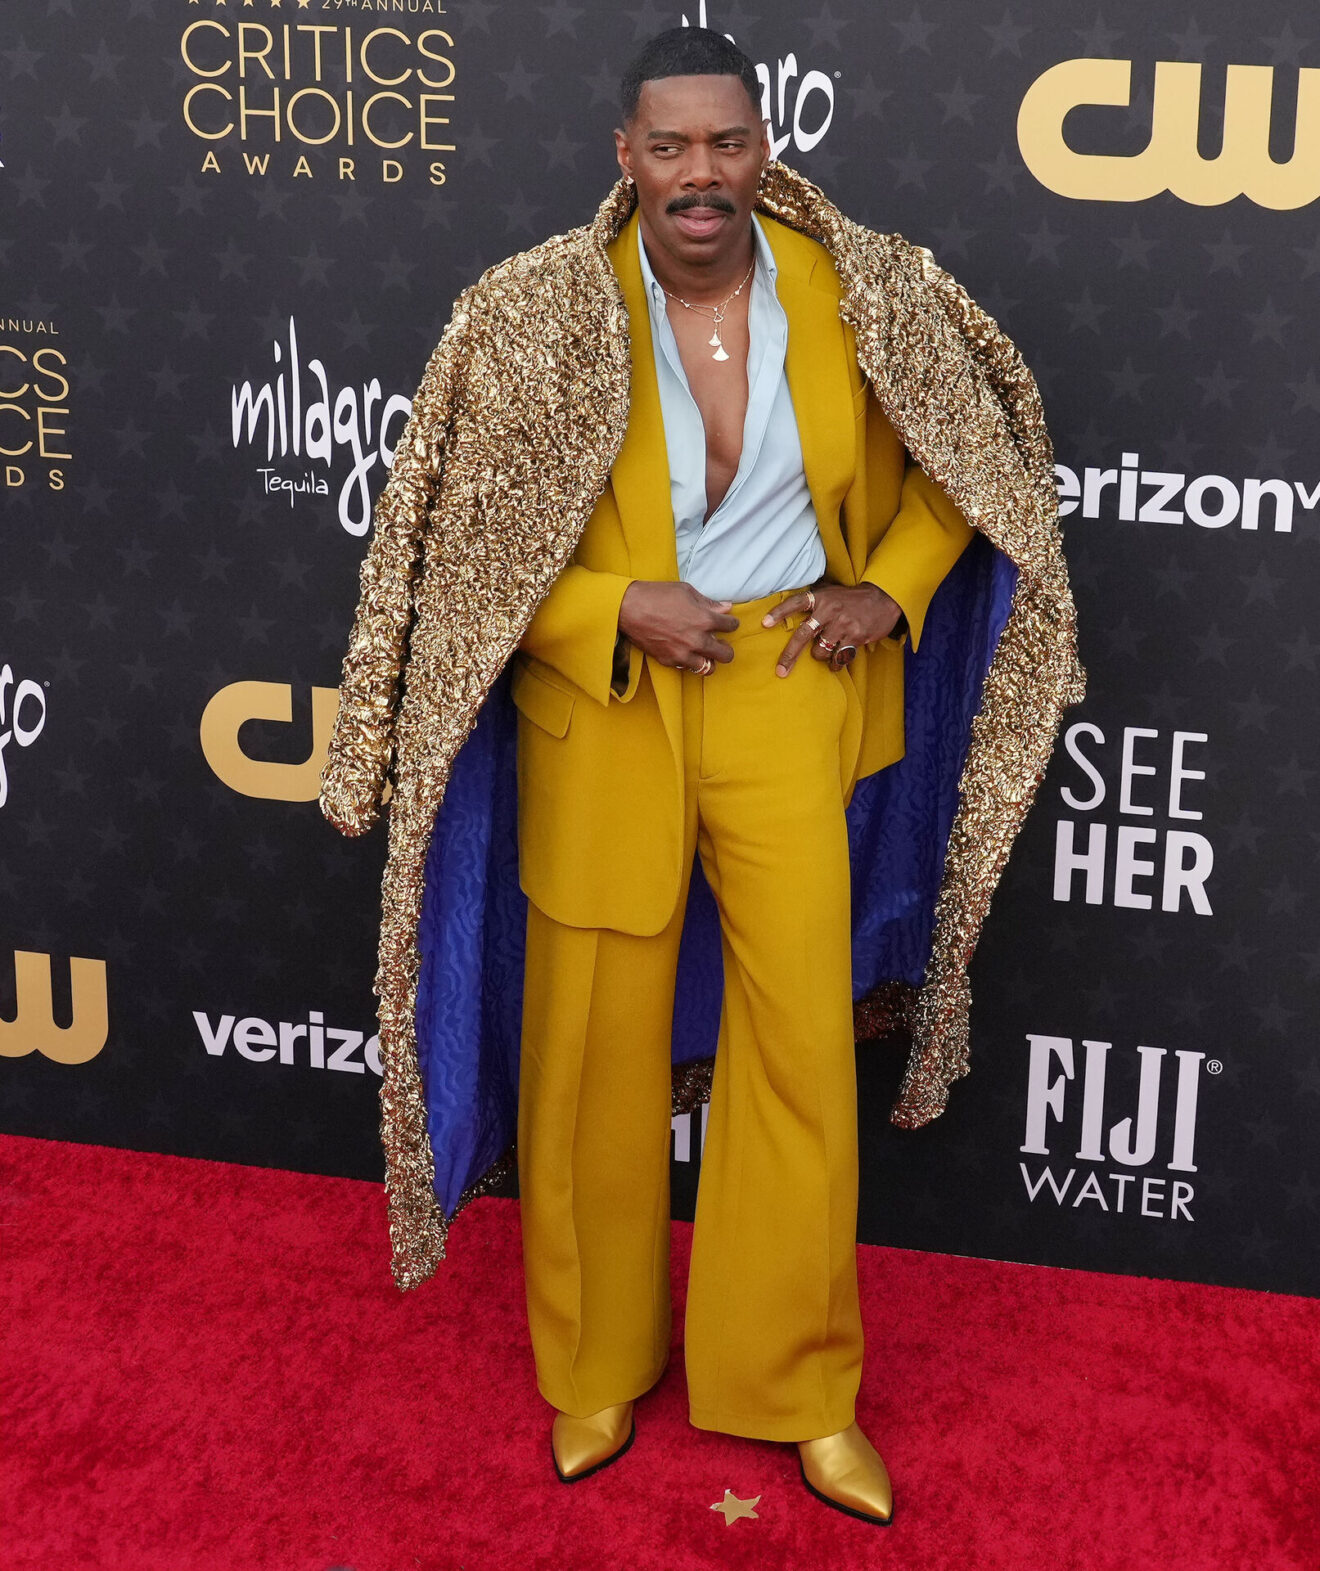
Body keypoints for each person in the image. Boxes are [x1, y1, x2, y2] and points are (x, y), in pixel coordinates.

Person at [320, 25, 1082, 1531]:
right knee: (593, 1053)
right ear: (627, 157)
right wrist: (611, 609)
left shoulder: (863, 290)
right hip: (605, 713)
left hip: (789, 697)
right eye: (669, 148)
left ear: (763, 150)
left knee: (799, 1044)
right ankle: (595, 1362)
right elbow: (460, 558)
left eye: (725, 145)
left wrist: (895, 590)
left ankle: (798, 1386)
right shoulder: (531, 314)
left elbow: (969, 471)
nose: (699, 177)